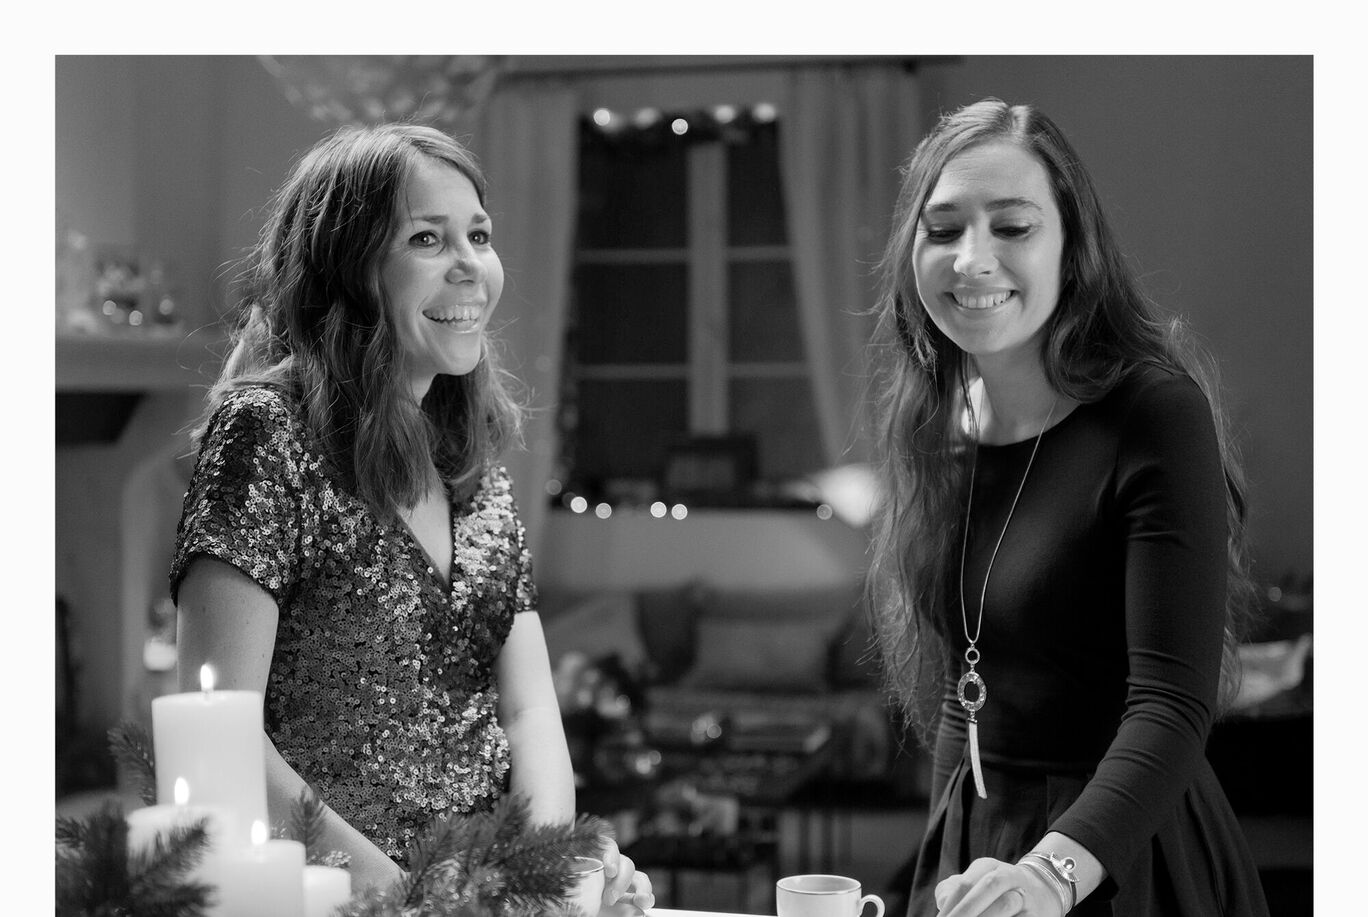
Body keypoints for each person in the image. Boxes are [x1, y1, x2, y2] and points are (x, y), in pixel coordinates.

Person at [170, 122, 652, 910]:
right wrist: (403, 895)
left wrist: (550, 874)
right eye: (427, 239)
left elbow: (530, 710)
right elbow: (215, 725)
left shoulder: (476, 469)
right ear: (348, 269)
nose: (471, 266)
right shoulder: (267, 431)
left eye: (479, 235)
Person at [866, 98, 1269, 916]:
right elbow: (965, 684)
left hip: (1125, 856)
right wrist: (936, 863)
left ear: (1073, 251)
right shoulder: (942, 422)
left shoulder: (1154, 412)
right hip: (982, 853)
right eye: (942, 229)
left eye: (1012, 227)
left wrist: (1049, 876)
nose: (971, 259)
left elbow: (1171, 704)